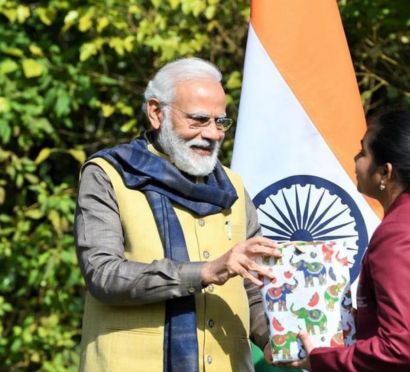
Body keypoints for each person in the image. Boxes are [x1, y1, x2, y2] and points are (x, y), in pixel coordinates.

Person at [74, 57, 281, 372]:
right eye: (198, 120)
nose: (213, 134)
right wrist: (204, 271)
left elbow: (252, 285)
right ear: (157, 113)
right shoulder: (109, 174)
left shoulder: (234, 186)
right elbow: (102, 274)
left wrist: (272, 340)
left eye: (220, 122)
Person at [279, 109, 410, 371]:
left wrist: (322, 359)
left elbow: (398, 348)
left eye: (363, 152)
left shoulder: (400, 233)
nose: (356, 160)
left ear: (385, 172)